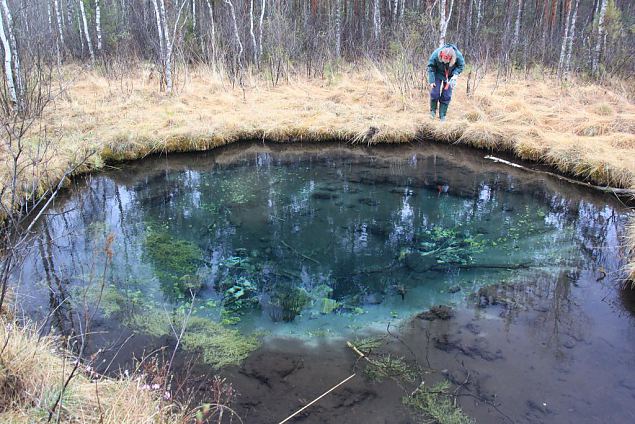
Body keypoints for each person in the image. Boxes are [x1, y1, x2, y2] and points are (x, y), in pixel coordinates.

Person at [427, 43, 465, 121]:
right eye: (443, 60)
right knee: (435, 93)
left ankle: (442, 115)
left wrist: (455, 75)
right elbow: (431, 67)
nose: (445, 62)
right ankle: (432, 112)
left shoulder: (457, 55)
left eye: (447, 61)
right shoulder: (435, 54)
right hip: (437, 74)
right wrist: (431, 80)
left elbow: (461, 66)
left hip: (450, 76)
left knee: (447, 95)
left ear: (451, 59)